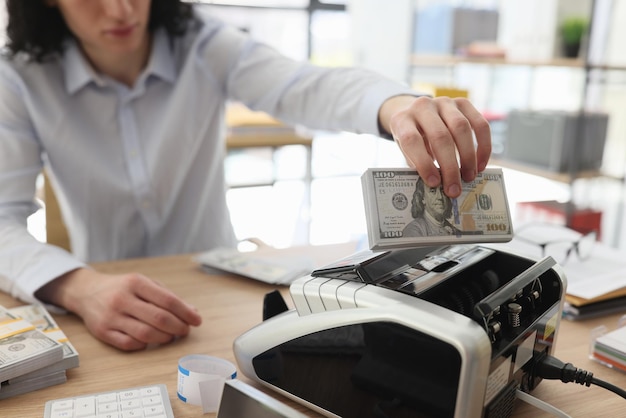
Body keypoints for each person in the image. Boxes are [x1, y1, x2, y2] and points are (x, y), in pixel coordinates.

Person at [0, 0, 491, 351]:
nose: (122, 10)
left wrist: (397, 106)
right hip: (104, 303)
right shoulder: (18, 77)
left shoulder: (203, 42)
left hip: (221, 294)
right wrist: (79, 288)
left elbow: (305, 85)